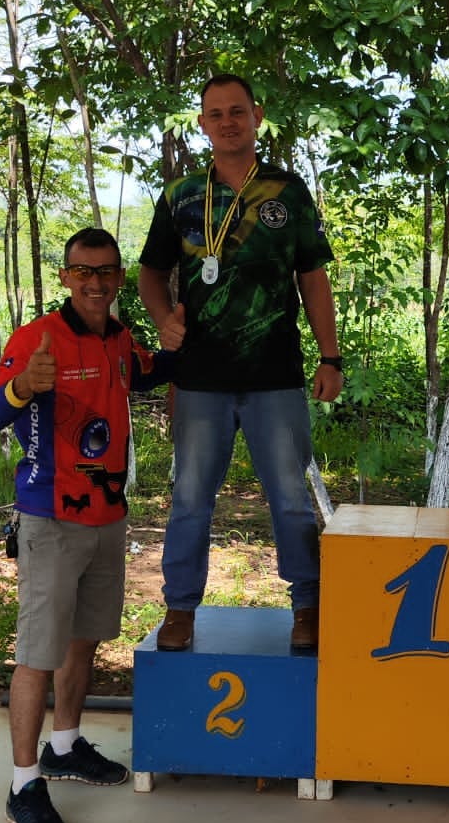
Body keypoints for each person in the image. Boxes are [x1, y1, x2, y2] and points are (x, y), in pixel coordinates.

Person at [0, 228, 177, 823]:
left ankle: (63, 746)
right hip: (51, 520)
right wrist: (22, 387)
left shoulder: (119, 338)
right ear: (65, 276)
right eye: (83, 271)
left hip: (107, 517)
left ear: (119, 278)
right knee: (38, 654)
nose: (95, 282)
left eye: (106, 271)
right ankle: (23, 785)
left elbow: (148, 373)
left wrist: (178, 342)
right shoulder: (37, 339)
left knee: (84, 639)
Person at [137, 73, 342, 655]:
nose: (227, 122)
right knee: (190, 497)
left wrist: (330, 356)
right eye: (216, 113)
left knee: (290, 498)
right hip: (199, 376)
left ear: (257, 116)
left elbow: (313, 277)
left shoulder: (287, 191)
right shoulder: (181, 195)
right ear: (202, 124)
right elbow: (150, 272)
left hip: (274, 374)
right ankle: (180, 608)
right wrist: (163, 320)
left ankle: (307, 606)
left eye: (237, 111)